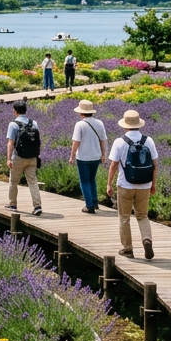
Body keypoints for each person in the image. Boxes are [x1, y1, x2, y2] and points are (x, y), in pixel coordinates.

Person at [107, 110, 158, 259]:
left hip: (125, 185)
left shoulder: (119, 141)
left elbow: (113, 165)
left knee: (124, 217)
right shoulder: (149, 141)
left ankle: (128, 249)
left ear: (125, 125)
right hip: (144, 185)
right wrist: (153, 184)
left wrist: (109, 184)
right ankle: (147, 239)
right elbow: (155, 164)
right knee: (142, 215)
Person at [4, 101, 43, 216]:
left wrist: (9, 159)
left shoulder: (13, 124)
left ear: (15, 111)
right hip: (32, 157)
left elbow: (11, 142)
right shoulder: (34, 123)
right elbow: (38, 141)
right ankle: (37, 206)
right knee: (33, 182)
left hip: (19, 157)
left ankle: (13, 204)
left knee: (14, 181)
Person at [69, 100, 107, 214]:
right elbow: (102, 140)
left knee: (84, 181)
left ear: (81, 113)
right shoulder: (99, 123)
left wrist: (72, 156)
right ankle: (95, 203)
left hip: (83, 157)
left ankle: (89, 206)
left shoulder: (79, 124)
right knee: (92, 179)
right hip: (96, 156)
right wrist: (103, 154)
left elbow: (76, 142)